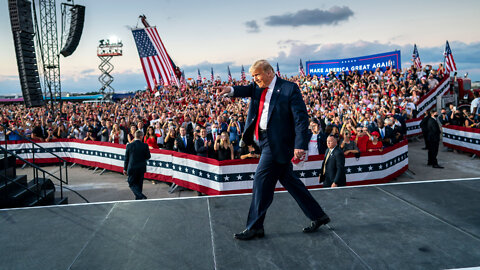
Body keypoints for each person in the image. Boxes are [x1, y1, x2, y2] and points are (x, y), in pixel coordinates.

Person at [217, 59, 329, 240]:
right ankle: (319, 216)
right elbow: (245, 89)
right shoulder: (256, 86)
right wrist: (229, 90)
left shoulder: (289, 89)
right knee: (291, 182)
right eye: (253, 76)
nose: (255, 79)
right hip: (263, 141)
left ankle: (255, 227)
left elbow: (301, 120)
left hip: (278, 144)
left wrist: (300, 145)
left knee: (261, 183)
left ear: (269, 72)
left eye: (257, 75)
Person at [123, 130, 151, 200]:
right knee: (139, 184)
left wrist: (124, 168)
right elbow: (148, 156)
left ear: (135, 136)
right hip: (141, 168)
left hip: (132, 167)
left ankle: (140, 197)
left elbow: (126, 158)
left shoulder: (129, 145)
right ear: (141, 136)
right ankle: (140, 197)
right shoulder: (145, 145)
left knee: (131, 183)